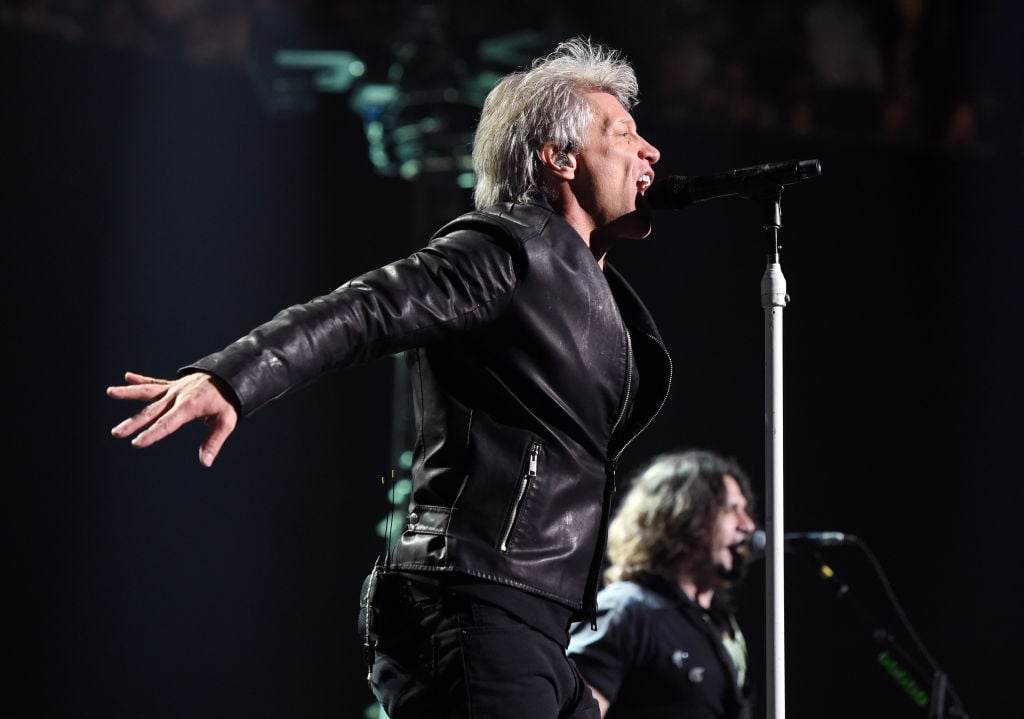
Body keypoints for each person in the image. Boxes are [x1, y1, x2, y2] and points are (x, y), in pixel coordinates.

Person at [108, 38, 671, 719]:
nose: (651, 153)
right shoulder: (503, 249)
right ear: (559, 156)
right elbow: (367, 308)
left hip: (534, 621)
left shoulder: (597, 291)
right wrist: (233, 377)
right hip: (475, 602)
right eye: (624, 134)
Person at [567, 450, 757, 719]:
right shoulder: (625, 611)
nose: (747, 525)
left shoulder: (720, 623)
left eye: (745, 510)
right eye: (731, 510)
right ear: (683, 517)